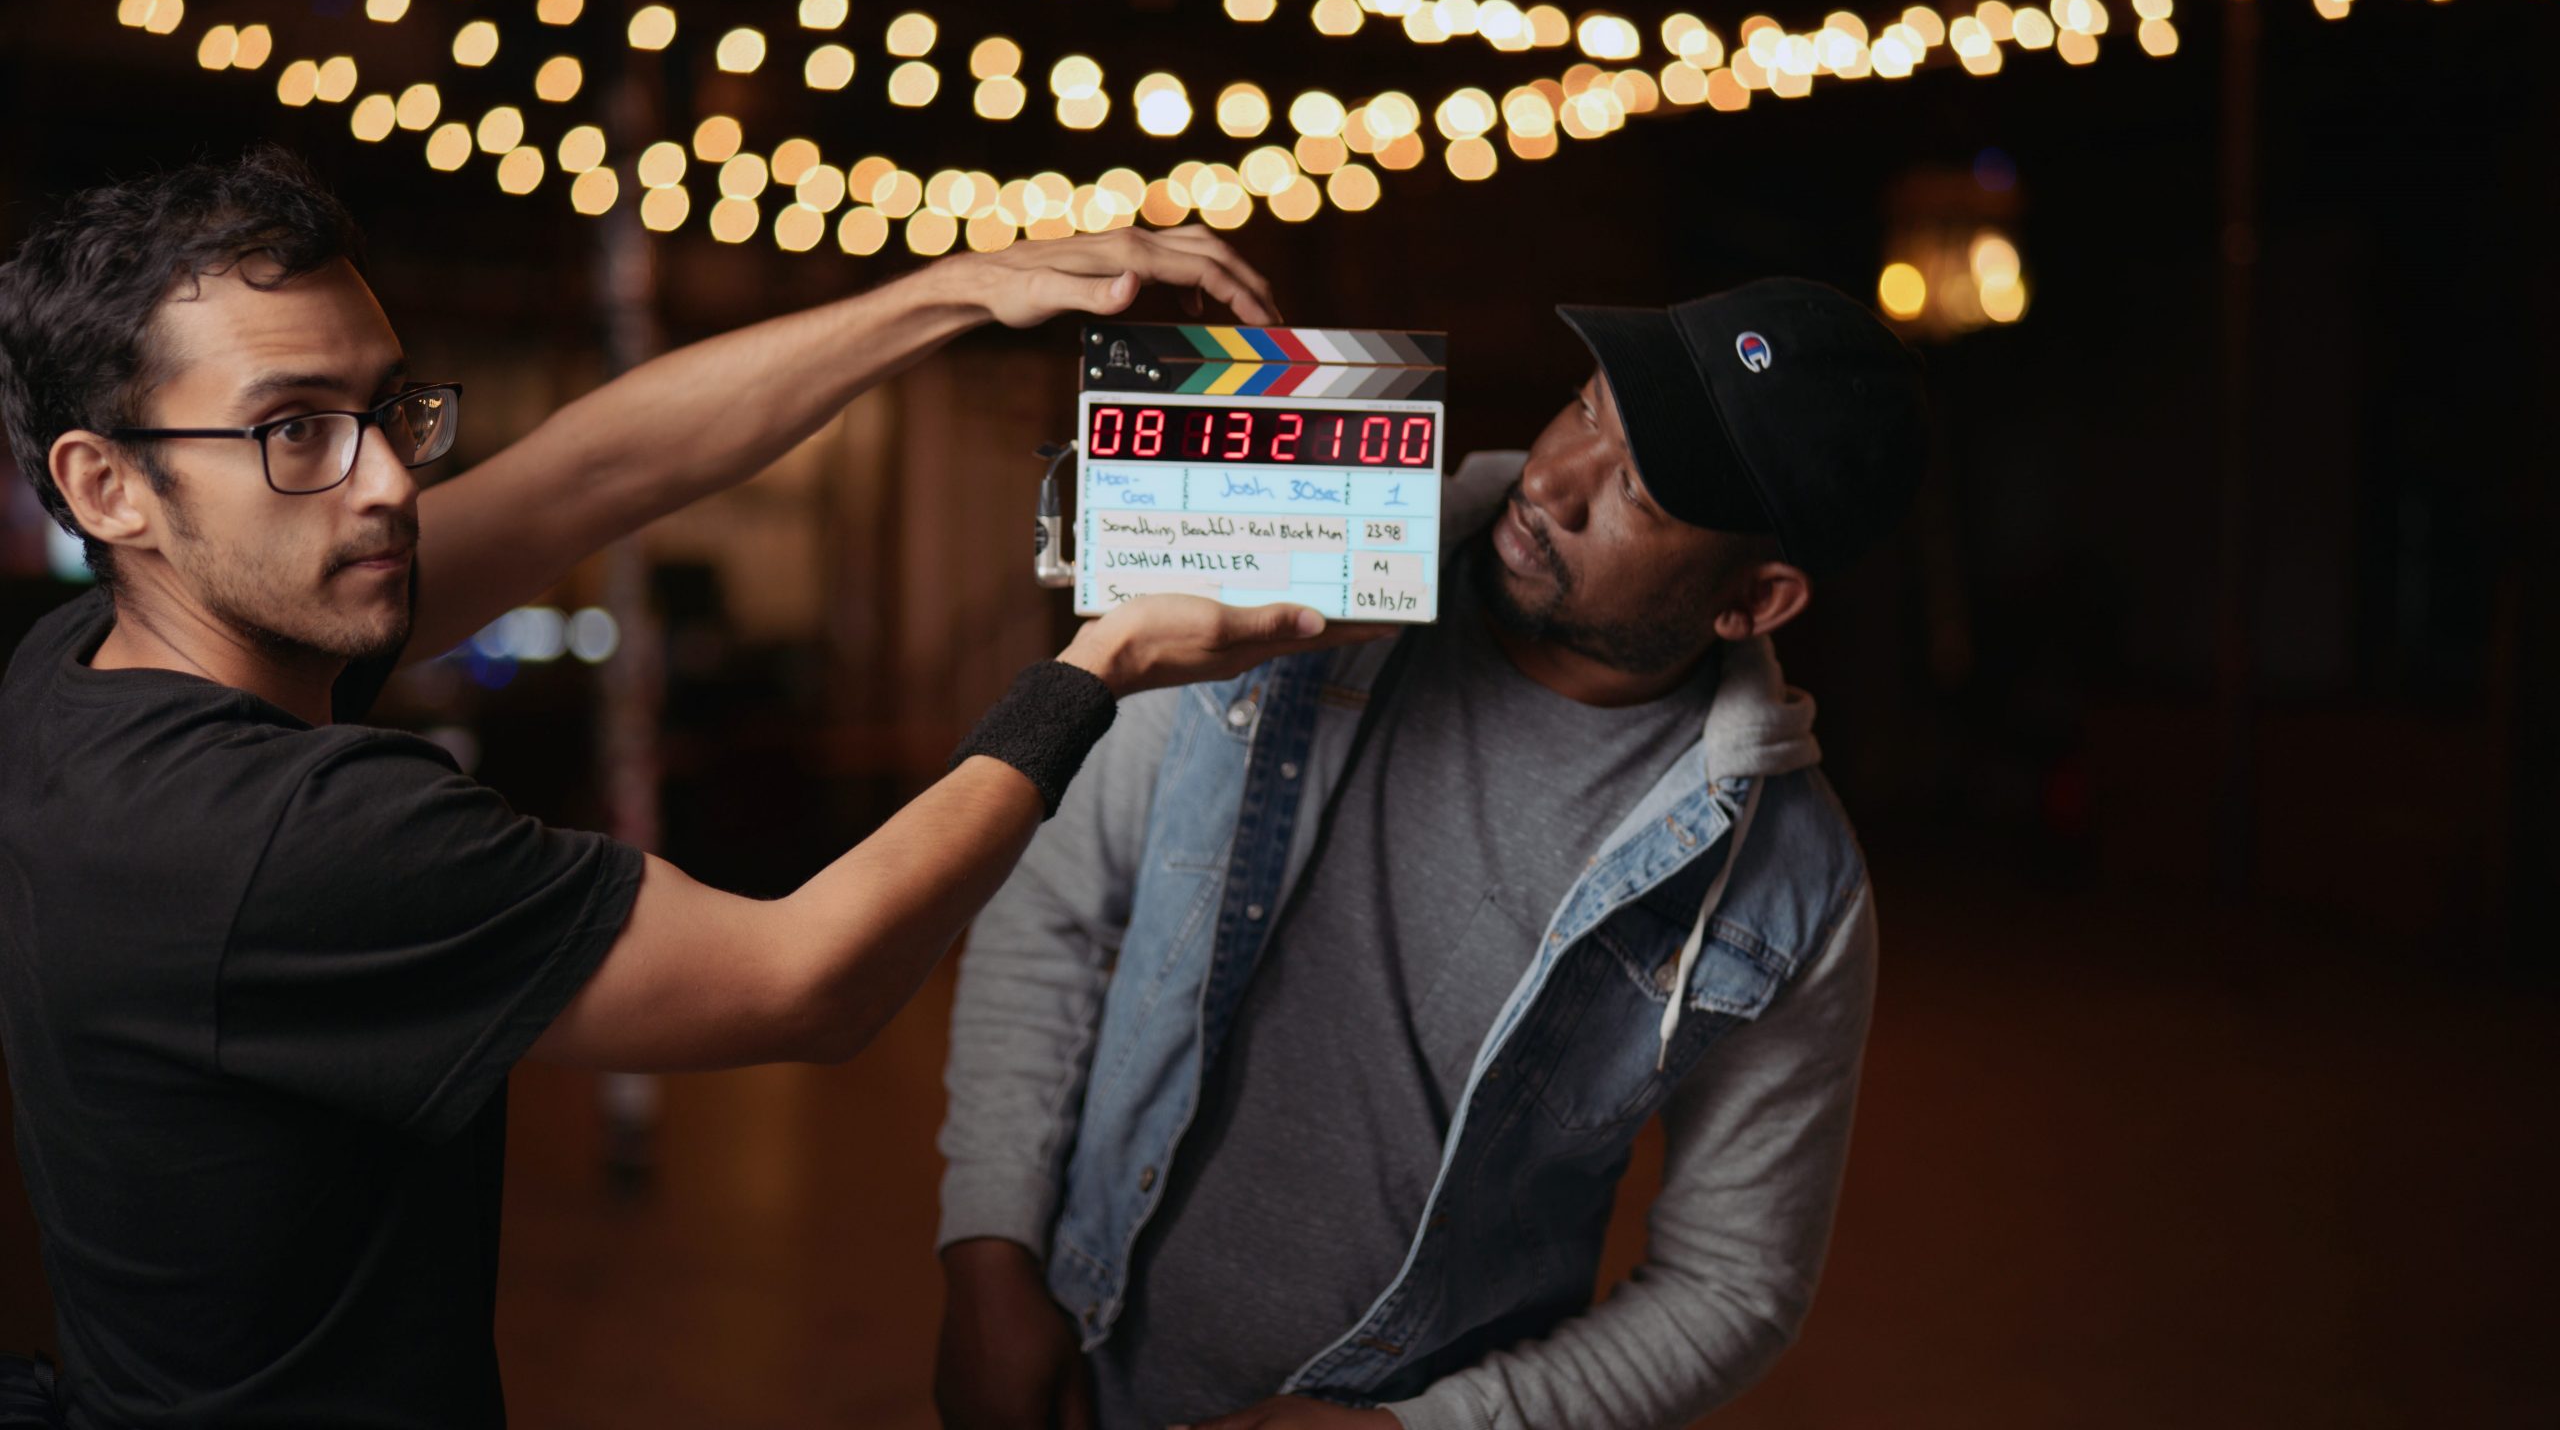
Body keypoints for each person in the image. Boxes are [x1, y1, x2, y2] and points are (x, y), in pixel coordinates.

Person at [0, 145, 1371, 1426]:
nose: (387, 488)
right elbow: (809, 977)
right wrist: (1098, 666)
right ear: (105, 484)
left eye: (386, 410)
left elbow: (595, 470)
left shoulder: (83, 667)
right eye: (294, 430)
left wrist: (950, 290)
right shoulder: (283, 837)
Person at [934, 278, 1931, 1430]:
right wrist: (988, 1254)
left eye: (1637, 492)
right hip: (1080, 1354)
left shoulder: (1792, 890)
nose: (1552, 479)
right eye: (1587, 407)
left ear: (1753, 601)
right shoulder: (1288, 561)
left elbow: (1735, 1283)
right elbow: (1059, 907)